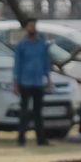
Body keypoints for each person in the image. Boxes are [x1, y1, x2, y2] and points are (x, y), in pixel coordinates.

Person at [12, 18, 52, 146]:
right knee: (24, 112)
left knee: (38, 112)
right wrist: (15, 82)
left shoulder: (41, 44)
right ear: (26, 28)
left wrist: (49, 79)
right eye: (30, 26)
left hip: (38, 82)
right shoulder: (22, 45)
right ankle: (21, 138)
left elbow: (46, 63)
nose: (32, 29)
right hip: (25, 82)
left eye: (34, 26)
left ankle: (41, 139)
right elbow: (17, 65)